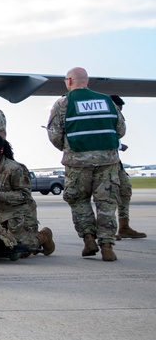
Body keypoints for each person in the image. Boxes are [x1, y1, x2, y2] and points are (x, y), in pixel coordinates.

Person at [47, 67, 126, 261]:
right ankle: (107, 246)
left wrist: (69, 149)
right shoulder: (107, 100)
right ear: (87, 81)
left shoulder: (63, 103)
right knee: (106, 202)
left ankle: (89, 239)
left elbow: (54, 134)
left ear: (70, 81)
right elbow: (121, 129)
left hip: (77, 162)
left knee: (78, 199)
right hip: (107, 161)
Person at [0, 135, 55, 256]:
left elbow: (24, 195)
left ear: (1, 151)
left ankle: (43, 236)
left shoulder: (15, 169)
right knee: (1, 246)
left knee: (21, 250)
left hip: (19, 215)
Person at [110, 96, 147, 240]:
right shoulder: (102, 116)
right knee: (108, 195)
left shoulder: (114, 118)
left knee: (125, 190)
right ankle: (107, 230)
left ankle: (124, 227)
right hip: (103, 163)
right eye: (118, 108)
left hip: (115, 160)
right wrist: (119, 145)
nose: (119, 112)